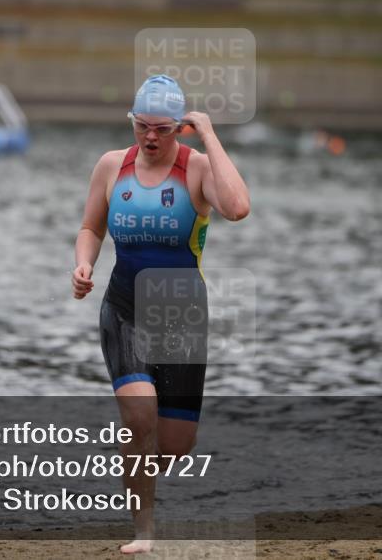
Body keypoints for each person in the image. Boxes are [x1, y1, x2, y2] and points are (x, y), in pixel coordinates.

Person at [72, 75, 250, 553]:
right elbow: (90, 226)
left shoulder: (196, 169)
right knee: (139, 414)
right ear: (132, 122)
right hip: (125, 308)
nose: (150, 137)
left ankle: (133, 470)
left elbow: (238, 207)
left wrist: (210, 136)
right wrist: (84, 262)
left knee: (174, 444)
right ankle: (144, 531)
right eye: (142, 126)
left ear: (180, 129)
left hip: (183, 316)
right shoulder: (112, 166)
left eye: (163, 129)